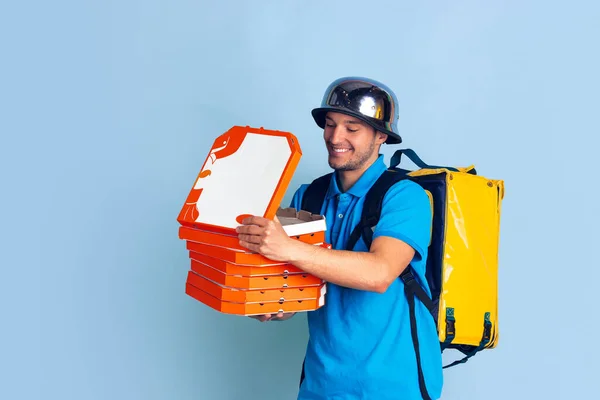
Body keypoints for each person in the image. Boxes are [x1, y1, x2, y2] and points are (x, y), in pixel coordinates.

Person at [236, 77, 443, 399]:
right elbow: (299, 283)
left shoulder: (406, 196)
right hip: (321, 385)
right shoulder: (309, 196)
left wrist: (286, 247)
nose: (335, 137)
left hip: (393, 386)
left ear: (381, 136)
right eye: (330, 125)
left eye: (352, 128)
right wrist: (274, 305)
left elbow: (379, 274)